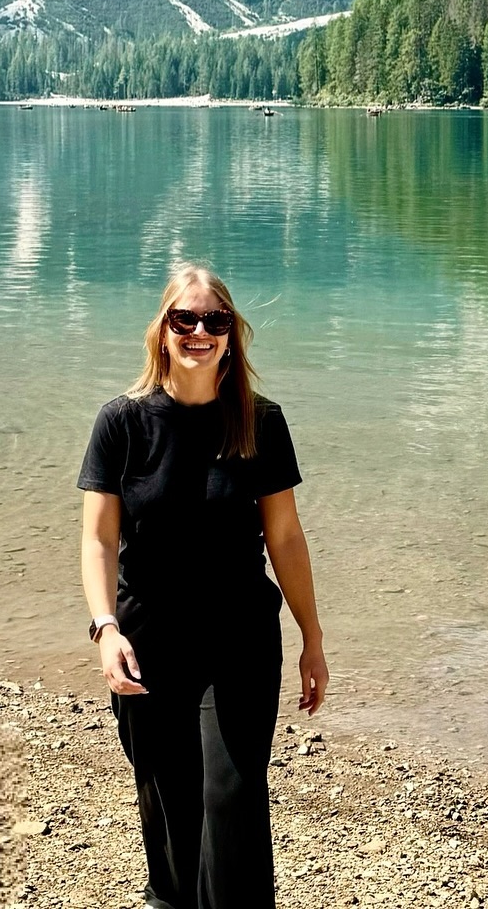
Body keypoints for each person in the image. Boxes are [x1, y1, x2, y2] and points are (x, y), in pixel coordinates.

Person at [78, 264, 327, 909]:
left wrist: (313, 638)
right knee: (168, 794)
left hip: (239, 634)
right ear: (161, 331)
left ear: (231, 333)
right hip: (147, 635)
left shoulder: (259, 421)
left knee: (232, 791)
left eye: (214, 320)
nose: (199, 331)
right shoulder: (123, 422)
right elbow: (99, 539)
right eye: (183, 318)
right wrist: (105, 629)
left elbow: (286, 538)